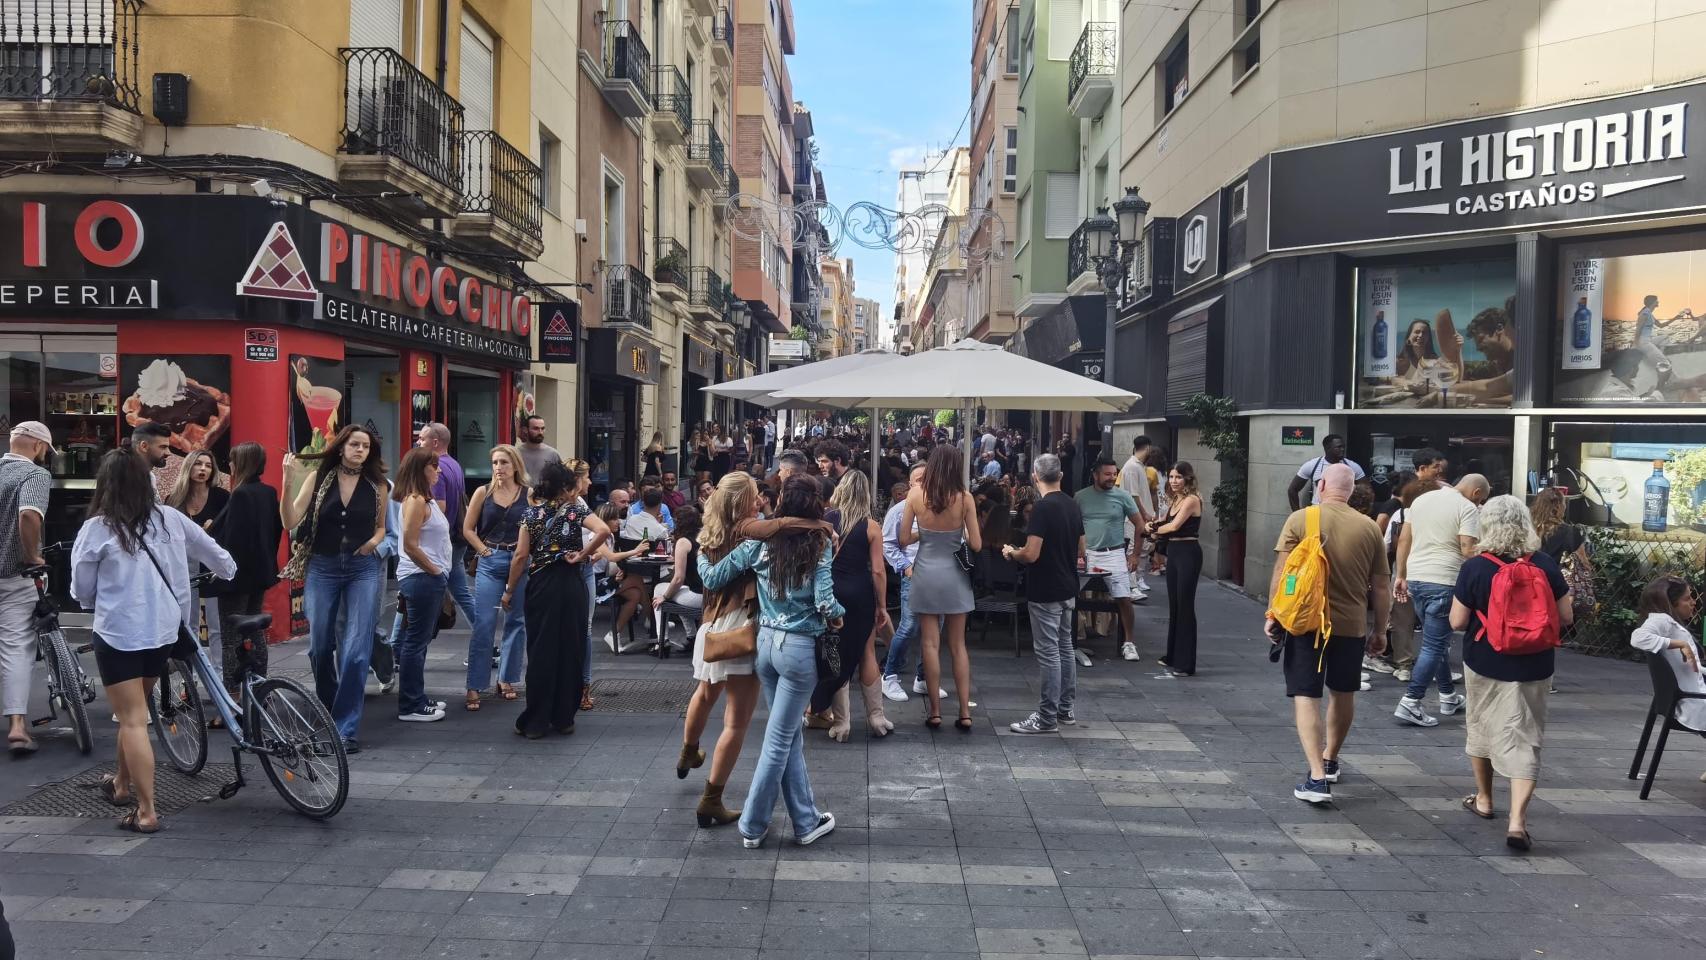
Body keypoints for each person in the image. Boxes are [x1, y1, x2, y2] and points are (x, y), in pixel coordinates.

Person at [72, 450, 235, 832]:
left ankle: (145, 811)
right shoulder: (171, 520)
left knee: (131, 721)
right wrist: (226, 574)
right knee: (137, 709)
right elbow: (221, 559)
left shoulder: (98, 528)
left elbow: (81, 590)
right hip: (163, 632)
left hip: (118, 633)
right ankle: (122, 783)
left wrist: (95, 599)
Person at [698, 474, 843, 848]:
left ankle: (806, 819)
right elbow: (825, 602)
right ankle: (753, 823)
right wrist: (840, 613)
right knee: (779, 740)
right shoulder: (819, 544)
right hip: (799, 651)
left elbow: (713, 577)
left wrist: (698, 549)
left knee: (789, 736)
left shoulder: (757, 545)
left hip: (765, 645)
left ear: (781, 503)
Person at [1449, 495, 1571, 850]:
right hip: (1536, 663)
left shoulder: (1475, 567)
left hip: (1485, 660)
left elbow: (1457, 621)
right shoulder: (1545, 564)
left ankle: (1484, 799)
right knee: (1526, 736)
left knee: (1482, 723)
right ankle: (1518, 821)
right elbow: (1565, 618)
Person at [1268, 464, 1391, 805]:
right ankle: (1330, 759)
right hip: (1350, 626)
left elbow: (1284, 573)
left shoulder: (1300, 520)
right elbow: (1381, 587)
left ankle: (1316, 778)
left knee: (1307, 695)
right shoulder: (1369, 528)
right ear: (1351, 491)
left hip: (1306, 623)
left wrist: (1274, 614)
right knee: (1343, 692)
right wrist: (1380, 629)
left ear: (1320, 485)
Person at [282, 425, 387, 748]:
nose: (360, 451)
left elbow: (382, 527)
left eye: (365, 447)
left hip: (362, 568)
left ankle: (345, 727)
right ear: (341, 447)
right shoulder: (317, 480)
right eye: (354, 445)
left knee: (356, 651)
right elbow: (290, 520)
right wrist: (288, 481)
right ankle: (329, 707)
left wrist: (372, 542)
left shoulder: (377, 485)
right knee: (319, 646)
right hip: (323, 566)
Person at [506, 461, 609, 739]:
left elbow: (520, 557)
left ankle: (536, 719)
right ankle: (564, 716)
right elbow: (603, 531)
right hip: (572, 584)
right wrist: (583, 554)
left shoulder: (531, 514)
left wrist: (508, 590)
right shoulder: (576, 510)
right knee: (571, 647)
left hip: (542, 585)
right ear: (566, 487)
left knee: (541, 649)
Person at [1393, 474, 1491, 727]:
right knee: (1434, 646)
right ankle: (1411, 701)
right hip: (1445, 579)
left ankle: (1448, 696)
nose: (1481, 503)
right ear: (1477, 491)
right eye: (1483, 498)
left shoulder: (1421, 501)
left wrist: (1401, 575)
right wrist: (1491, 550)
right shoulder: (1467, 508)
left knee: (1435, 641)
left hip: (1417, 577)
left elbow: (1404, 539)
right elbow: (1467, 549)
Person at [900, 444, 981, 730]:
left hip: (925, 573)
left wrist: (923, 532)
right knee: (958, 646)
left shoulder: (914, 495)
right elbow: (977, 544)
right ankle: (964, 712)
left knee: (929, 644)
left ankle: (934, 711)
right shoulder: (965, 498)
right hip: (955, 575)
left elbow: (902, 540)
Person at [809, 470, 893, 741]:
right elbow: (879, 571)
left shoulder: (827, 520)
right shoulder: (872, 526)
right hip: (860, 593)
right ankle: (877, 718)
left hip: (831, 592)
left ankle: (842, 723)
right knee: (867, 651)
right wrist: (881, 606)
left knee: (835, 652)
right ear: (866, 494)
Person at [1003, 454, 1084, 734]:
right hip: (1068, 586)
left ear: (1035, 477)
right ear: (1060, 475)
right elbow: (1081, 550)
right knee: (1065, 648)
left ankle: (1047, 717)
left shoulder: (1042, 508)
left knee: (1049, 653)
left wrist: (1013, 552)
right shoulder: (1072, 505)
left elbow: (1032, 554)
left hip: (1046, 588)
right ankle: (1065, 709)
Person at [203, 441, 283, 703]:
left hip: (235, 576)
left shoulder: (240, 495)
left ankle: (231, 694)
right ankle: (261, 687)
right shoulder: (269, 492)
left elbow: (233, 539)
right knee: (255, 628)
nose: (230, 464)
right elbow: (275, 530)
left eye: (232, 459)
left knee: (230, 636)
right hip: (260, 572)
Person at [463, 444, 531, 710]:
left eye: (503, 462)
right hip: (491, 560)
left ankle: (507, 678)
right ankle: (475, 684)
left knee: (516, 620)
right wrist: (482, 550)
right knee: (485, 623)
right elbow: (467, 528)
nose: (498, 468)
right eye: (494, 463)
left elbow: (536, 526)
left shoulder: (529, 494)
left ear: (515, 465)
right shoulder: (483, 492)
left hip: (520, 560)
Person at [389, 447, 452, 727]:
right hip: (421, 578)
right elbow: (410, 545)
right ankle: (410, 703)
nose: (438, 471)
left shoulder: (425, 500)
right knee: (415, 642)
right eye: (434, 466)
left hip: (427, 578)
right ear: (420, 469)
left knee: (420, 641)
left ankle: (417, 697)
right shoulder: (415, 501)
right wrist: (435, 571)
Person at [0, 422, 52, 757]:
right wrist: (33, 555)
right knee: (16, 646)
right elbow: (29, 516)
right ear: (37, 446)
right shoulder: (33, 475)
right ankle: (18, 726)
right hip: (12, 575)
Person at [165, 449, 230, 678]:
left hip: (211, 566)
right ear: (188, 467)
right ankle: (188, 683)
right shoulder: (173, 501)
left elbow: (228, 533)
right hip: (184, 567)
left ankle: (219, 679)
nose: (203, 469)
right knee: (188, 627)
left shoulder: (222, 497)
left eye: (208, 465)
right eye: (198, 464)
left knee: (216, 628)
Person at [1075, 458, 1146, 661]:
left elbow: (1140, 526)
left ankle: (1129, 643)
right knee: (1068, 595)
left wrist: (1134, 555)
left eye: (1114, 474)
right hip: (1086, 554)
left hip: (1114, 553)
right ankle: (1068, 640)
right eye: (1107, 474)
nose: (1112, 478)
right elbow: (1072, 526)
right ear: (1095, 475)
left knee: (1124, 597)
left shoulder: (1123, 496)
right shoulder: (1080, 497)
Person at [416, 422, 478, 633]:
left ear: (434, 442)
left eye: (422, 439)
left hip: (444, 542)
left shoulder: (437, 470)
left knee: (410, 597)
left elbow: (439, 507)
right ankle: (484, 635)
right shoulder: (454, 464)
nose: (418, 441)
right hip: (456, 539)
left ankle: (397, 647)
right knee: (461, 592)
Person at [1147, 462, 1204, 677]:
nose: (1173, 481)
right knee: (1175, 605)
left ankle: (1186, 663)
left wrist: (1154, 533)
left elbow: (1173, 526)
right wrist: (1150, 525)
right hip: (1175, 552)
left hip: (1189, 552)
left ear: (1187, 478)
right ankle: (1172, 655)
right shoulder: (1176, 499)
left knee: (1185, 605)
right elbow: (1164, 521)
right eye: (1171, 477)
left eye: (1178, 477)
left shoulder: (1191, 500)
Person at [881, 465, 932, 702]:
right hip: (913, 573)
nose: (923, 483)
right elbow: (888, 543)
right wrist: (906, 567)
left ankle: (924, 678)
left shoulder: (939, 509)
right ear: (910, 484)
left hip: (936, 575)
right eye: (919, 479)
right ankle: (890, 675)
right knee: (909, 625)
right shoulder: (900, 511)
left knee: (933, 628)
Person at [1629, 576, 1703, 733]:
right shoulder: (1662, 620)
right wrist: (1680, 644)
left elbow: (1691, 669)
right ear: (1670, 603)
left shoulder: (1670, 624)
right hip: (1693, 706)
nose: (1693, 602)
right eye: (1687, 598)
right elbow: (1638, 637)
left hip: (1694, 702)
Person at [652, 506, 705, 645]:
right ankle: (691, 636)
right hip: (710, 593)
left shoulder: (683, 542)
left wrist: (664, 597)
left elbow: (678, 578)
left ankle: (662, 640)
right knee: (675, 592)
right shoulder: (705, 535)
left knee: (659, 589)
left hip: (697, 596)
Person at [1120, 436, 1159, 594]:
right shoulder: (1131, 467)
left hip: (1142, 515)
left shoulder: (1139, 466)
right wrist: (1144, 514)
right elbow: (1133, 495)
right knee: (1132, 550)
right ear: (1148, 447)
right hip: (1133, 517)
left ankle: (1138, 580)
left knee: (1143, 548)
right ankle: (1131, 586)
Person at [1288, 434, 1367, 509]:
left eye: (1343, 447)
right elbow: (1292, 490)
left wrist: (1360, 513)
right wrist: (1296, 512)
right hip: (1318, 511)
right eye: (1339, 447)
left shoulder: (1352, 467)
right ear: (1327, 448)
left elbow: (1366, 491)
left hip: (1343, 512)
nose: (1342, 449)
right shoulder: (1312, 465)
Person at [518, 414, 562, 482]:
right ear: (525, 430)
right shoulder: (516, 453)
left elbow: (560, 480)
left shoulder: (553, 454)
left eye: (542, 428)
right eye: (536, 428)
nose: (540, 432)